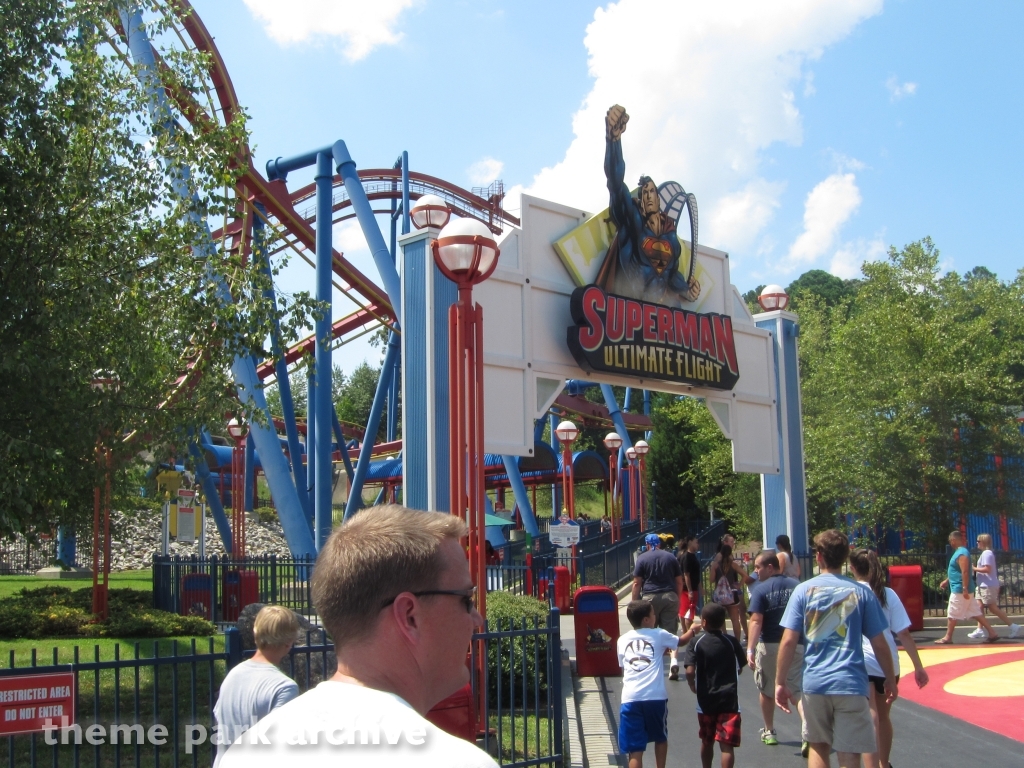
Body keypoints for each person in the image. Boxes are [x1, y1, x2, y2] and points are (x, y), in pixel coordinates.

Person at [220, 504, 498, 768]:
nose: (477, 619)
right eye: (466, 599)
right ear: (410, 616)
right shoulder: (458, 762)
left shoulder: (244, 754)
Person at [775, 529, 897, 768]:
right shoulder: (862, 593)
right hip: (850, 683)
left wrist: (780, 682)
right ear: (845, 556)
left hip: (815, 682)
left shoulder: (803, 591)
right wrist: (890, 679)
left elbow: (789, 640)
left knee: (819, 747)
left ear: (819, 556)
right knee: (850, 752)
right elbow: (880, 642)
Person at [596, 105, 700, 306]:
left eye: (652, 191)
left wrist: (688, 291)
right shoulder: (633, 222)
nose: (648, 196)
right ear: (640, 202)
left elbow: (671, 275)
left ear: (659, 199)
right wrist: (614, 141)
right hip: (627, 309)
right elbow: (615, 184)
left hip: (660, 321)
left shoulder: (671, 238)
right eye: (644, 194)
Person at [848, 549, 929, 768]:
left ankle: (871, 763)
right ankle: (884, 762)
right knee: (883, 717)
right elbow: (903, 633)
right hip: (887, 663)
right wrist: (918, 667)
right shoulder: (887, 594)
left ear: (853, 568)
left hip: (861, 661)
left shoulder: (850, 593)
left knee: (869, 715)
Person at [213, 606, 300, 767]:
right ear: (289, 643)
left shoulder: (233, 675)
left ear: (255, 633)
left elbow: (220, 721)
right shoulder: (285, 687)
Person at [618, 600, 701, 768]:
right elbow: (680, 641)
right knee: (660, 737)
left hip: (630, 698)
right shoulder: (659, 634)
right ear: (646, 620)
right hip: (654, 696)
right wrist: (692, 631)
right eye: (653, 614)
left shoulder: (622, 640)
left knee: (635, 748)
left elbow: (623, 667)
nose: (655, 616)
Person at [745, 551, 806, 753]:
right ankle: (808, 731)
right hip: (796, 644)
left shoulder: (761, 590)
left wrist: (750, 649)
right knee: (796, 689)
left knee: (766, 688)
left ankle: (769, 730)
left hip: (769, 644)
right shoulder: (798, 587)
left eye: (758, 567)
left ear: (770, 567)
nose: (755, 571)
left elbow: (756, 621)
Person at [682, 603, 745, 768]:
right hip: (729, 700)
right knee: (726, 746)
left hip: (706, 699)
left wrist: (691, 685)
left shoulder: (696, 642)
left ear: (703, 622)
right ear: (722, 621)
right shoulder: (731, 641)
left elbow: (689, 671)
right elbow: (740, 667)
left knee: (707, 740)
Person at [632, 533, 684, 679]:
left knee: (648, 634)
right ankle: (674, 661)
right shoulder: (670, 557)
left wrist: (635, 602)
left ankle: (652, 666)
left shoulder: (642, 558)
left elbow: (637, 583)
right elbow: (679, 581)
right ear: (660, 544)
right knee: (671, 633)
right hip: (669, 596)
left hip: (650, 598)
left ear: (647, 545)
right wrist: (676, 598)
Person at [936, 529, 998, 644]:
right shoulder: (960, 552)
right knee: (976, 613)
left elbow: (965, 572)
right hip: (962, 588)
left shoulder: (962, 553)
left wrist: (964, 588)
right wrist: (947, 581)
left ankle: (948, 637)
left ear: (954, 540)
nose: (950, 543)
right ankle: (992, 633)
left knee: (952, 613)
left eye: (951, 541)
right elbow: (958, 571)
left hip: (960, 589)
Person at [968, 533, 1020, 639]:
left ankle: (1013, 626)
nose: (977, 543)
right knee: (979, 607)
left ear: (983, 542)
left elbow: (988, 569)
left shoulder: (987, 553)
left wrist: (974, 569)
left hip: (988, 585)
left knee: (992, 608)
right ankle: (980, 629)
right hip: (982, 585)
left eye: (978, 541)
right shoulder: (985, 553)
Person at [708, 544, 750, 644]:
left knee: (721, 619)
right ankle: (737, 641)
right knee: (735, 619)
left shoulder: (716, 565)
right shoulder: (733, 564)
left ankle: (724, 638)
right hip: (732, 595)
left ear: (721, 553)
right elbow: (745, 575)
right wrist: (739, 585)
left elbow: (711, 580)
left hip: (720, 596)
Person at [677, 535, 702, 632]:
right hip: (689, 589)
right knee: (689, 613)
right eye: (696, 542)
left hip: (687, 588)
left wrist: (700, 587)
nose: (697, 544)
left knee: (683, 611)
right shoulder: (687, 556)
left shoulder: (685, 555)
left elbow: (695, 574)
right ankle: (689, 633)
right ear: (690, 542)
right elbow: (686, 574)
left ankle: (685, 632)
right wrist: (690, 591)